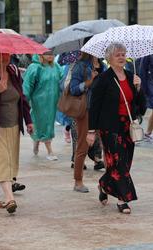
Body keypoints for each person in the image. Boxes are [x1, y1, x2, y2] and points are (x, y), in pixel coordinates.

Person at [87, 42, 146, 214]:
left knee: (125, 163)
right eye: (117, 54)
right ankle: (123, 199)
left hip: (129, 125)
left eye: (123, 54)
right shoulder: (103, 79)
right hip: (110, 127)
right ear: (109, 58)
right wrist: (91, 131)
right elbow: (94, 106)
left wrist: (139, 88)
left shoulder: (131, 76)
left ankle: (104, 185)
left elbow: (141, 107)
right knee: (118, 162)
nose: (121, 57)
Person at [0, 53, 33, 214]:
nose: (5, 56)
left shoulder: (14, 71)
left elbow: (22, 98)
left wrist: (29, 120)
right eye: (0, 54)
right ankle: (10, 198)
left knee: (4, 162)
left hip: (13, 126)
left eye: (7, 53)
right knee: (2, 161)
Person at [23, 51, 63, 160]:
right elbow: (27, 85)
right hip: (38, 102)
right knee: (43, 124)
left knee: (48, 123)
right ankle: (50, 151)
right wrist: (24, 101)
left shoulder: (57, 67)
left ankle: (36, 140)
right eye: (47, 53)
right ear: (40, 54)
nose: (50, 55)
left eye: (52, 53)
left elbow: (62, 81)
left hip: (52, 102)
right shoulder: (35, 67)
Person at [69, 52, 98, 193]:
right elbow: (73, 89)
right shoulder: (80, 66)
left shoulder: (103, 66)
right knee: (83, 146)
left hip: (100, 109)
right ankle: (78, 181)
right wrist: (89, 82)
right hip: (86, 110)